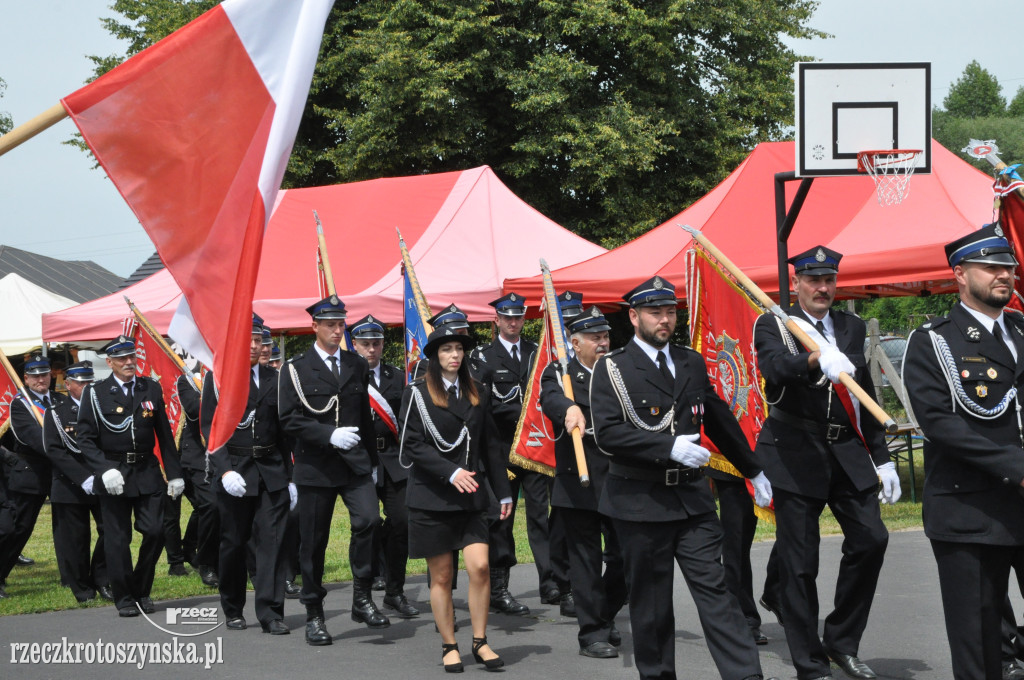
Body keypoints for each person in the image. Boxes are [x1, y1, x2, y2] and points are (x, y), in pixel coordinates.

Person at [589, 275, 776, 680]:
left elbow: (720, 418)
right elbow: (608, 432)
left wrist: (753, 469)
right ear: (634, 316)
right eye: (655, 312)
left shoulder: (690, 361)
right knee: (652, 607)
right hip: (640, 503)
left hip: (692, 501)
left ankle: (746, 675)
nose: (665, 319)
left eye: (670, 311)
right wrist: (667, 447)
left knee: (718, 594)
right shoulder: (612, 367)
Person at [753, 246, 898, 680]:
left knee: (872, 540)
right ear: (796, 284)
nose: (823, 288)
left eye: (829, 280)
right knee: (801, 562)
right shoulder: (777, 323)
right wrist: (815, 358)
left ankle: (841, 642)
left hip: (846, 450)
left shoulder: (850, 326)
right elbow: (775, 368)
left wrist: (883, 458)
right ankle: (811, 664)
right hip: (794, 450)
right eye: (813, 280)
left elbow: (863, 394)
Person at [903, 223, 1024, 680]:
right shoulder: (935, 339)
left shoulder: (1020, 329)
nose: (1004, 276)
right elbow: (938, 422)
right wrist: (1017, 467)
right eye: (991, 267)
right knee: (978, 640)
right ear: (959, 273)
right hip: (970, 508)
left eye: (1008, 268)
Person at [399, 326, 513, 672]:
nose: (454, 355)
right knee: (443, 575)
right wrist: (449, 472)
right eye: (447, 349)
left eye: (459, 349)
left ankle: (480, 641)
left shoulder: (477, 390)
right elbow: (413, 445)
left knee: (479, 566)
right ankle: (449, 644)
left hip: (472, 496)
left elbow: (489, 445)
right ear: (435, 356)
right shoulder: (417, 392)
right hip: (433, 495)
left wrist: (503, 490)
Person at [277, 294, 388, 645]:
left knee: (370, 521)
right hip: (316, 467)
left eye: (341, 324)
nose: (337, 330)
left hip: (355, 463)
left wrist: (372, 463)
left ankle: (362, 597)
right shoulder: (294, 368)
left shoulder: (356, 364)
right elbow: (288, 418)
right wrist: (328, 434)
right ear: (315, 327)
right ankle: (314, 613)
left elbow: (365, 421)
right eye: (330, 325)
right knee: (313, 543)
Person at [76, 335, 185, 617]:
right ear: (109, 362)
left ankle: (141, 588)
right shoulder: (95, 393)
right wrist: (104, 469)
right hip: (114, 474)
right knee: (117, 538)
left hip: (147, 472)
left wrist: (174, 473)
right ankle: (124, 596)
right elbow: (86, 440)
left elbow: (164, 433)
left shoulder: (150, 387)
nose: (129, 362)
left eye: (132, 357)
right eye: (122, 359)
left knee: (156, 530)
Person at [539, 305, 626, 658]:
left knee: (627, 559)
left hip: (621, 481)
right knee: (585, 561)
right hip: (580, 482)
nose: (603, 343)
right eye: (595, 338)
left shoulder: (619, 370)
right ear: (575, 343)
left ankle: (602, 612)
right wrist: (567, 408)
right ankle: (592, 634)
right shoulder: (560, 372)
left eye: (605, 336)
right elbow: (549, 398)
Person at [202, 313, 294, 634]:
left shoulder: (276, 378)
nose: (255, 346)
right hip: (235, 471)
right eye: (249, 340)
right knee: (234, 543)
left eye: (259, 340)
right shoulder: (218, 379)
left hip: (270, 471)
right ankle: (232, 606)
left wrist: (290, 477)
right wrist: (224, 471)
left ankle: (270, 612)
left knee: (272, 542)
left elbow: (285, 432)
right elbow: (210, 429)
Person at [472, 292, 547, 615]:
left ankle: (553, 582)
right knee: (501, 518)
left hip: (534, 446)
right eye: (508, 317)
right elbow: (486, 407)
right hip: (501, 449)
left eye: (519, 317)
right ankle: (499, 587)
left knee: (541, 516)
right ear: (497, 320)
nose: (514, 322)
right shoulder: (482, 356)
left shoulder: (537, 353)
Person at [349, 313, 419, 618]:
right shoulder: (346, 376)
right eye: (365, 344)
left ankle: (394, 591)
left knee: (401, 523)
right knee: (366, 524)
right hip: (361, 460)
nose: (372, 349)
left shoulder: (397, 376)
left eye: (376, 343)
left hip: (393, 460)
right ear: (354, 345)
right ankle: (363, 591)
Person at [41, 360, 110, 603]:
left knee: (110, 531)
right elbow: (55, 450)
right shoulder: (56, 413)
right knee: (75, 539)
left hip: (102, 480)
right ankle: (82, 588)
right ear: (68, 385)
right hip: (70, 484)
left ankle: (103, 579)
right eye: (81, 383)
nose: (87, 386)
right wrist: (83, 478)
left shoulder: (104, 408)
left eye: (90, 382)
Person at [0, 354, 56, 596]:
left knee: (22, 530)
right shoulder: (21, 403)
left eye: (44, 374)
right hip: (18, 473)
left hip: (40, 477)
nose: (40, 379)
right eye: (34, 375)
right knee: (8, 528)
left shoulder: (58, 401)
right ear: (25, 378)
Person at [163, 369, 219, 587]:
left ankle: (195, 552)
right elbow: (195, 411)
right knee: (172, 514)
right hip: (187, 456)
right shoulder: (187, 380)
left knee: (209, 507)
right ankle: (178, 560)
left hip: (211, 455)